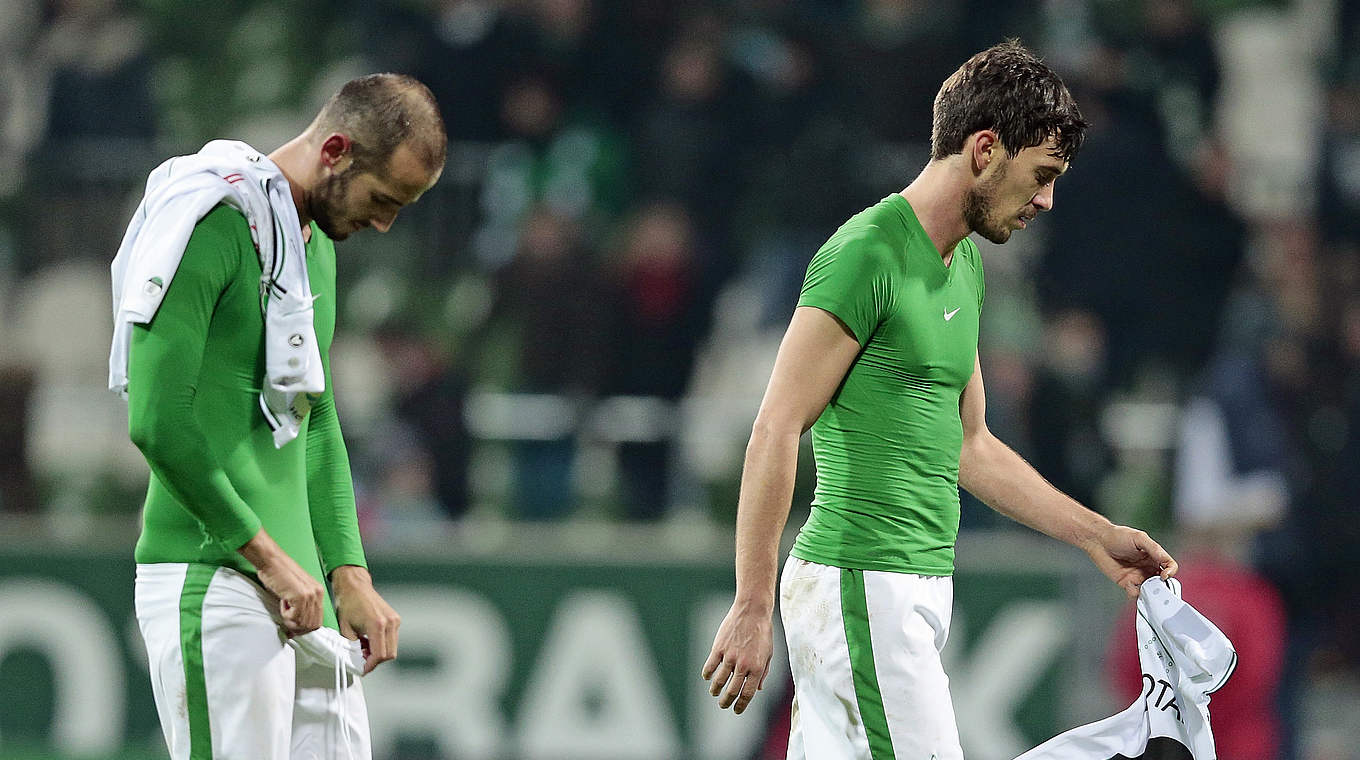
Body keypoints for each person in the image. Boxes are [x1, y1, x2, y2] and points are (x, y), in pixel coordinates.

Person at [701, 41, 1178, 760]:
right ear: (985, 149)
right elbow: (776, 426)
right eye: (1041, 176)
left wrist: (1095, 534)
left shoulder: (966, 268)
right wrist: (750, 601)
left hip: (904, 588)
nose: (1046, 201)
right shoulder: (867, 253)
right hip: (864, 581)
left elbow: (971, 444)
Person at [109, 73, 446, 760]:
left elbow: (315, 420)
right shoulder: (208, 218)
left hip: (304, 598)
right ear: (337, 150)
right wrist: (264, 555)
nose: (383, 223)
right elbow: (156, 420)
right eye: (383, 200)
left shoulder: (315, 243)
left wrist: (349, 572)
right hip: (214, 575)